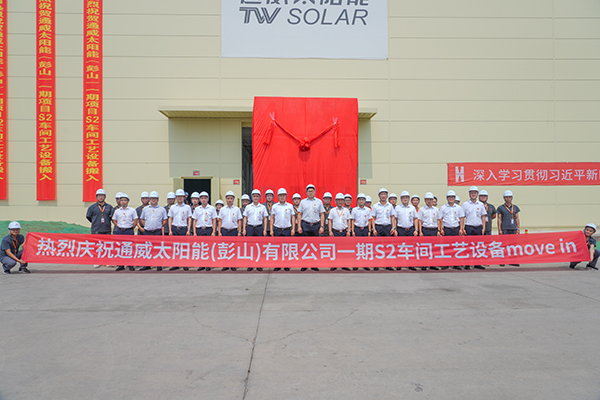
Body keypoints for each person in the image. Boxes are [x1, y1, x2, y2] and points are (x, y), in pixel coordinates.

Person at [139, 191, 168, 271]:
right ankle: (147, 265)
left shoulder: (162, 209)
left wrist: (159, 225)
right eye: (152, 198)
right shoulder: (145, 209)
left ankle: (159, 265)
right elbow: (142, 219)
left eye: (155, 198)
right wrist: (146, 226)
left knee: (158, 248)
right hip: (147, 232)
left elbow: (165, 220)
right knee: (147, 249)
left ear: (158, 199)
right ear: (149, 199)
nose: (153, 200)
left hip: (157, 232)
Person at [86, 188, 114, 268]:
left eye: (102, 195)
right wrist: (95, 222)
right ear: (96, 197)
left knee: (107, 246)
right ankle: (97, 261)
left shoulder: (109, 207)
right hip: (96, 229)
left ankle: (107, 261)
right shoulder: (92, 207)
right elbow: (89, 217)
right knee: (96, 246)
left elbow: (111, 217)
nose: (101, 197)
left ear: (105, 197)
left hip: (107, 229)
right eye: (99, 196)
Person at [438, 190, 465, 270]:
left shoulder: (458, 207)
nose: (451, 198)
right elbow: (440, 219)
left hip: (456, 229)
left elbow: (461, 218)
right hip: (447, 229)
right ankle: (446, 264)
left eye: (452, 197)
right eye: (449, 197)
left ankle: (456, 264)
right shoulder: (443, 207)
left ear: (455, 198)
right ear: (447, 198)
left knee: (456, 247)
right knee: (447, 247)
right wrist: (441, 229)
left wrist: (461, 228)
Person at [270, 188, 295, 271]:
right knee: (277, 248)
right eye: (280, 195)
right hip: (277, 229)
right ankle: (278, 265)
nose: (282, 197)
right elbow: (272, 218)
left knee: (286, 248)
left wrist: (293, 229)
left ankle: (286, 265)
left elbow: (293, 217)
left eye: (283, 195)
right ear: (278, 196)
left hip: (287, 229)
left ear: (286, 196)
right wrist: (271, 230)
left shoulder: (290, 206)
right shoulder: (274, 206)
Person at [112, 193, 138, 271]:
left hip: (129, 230)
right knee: (120, 247)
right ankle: (121, 265)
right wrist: (118, 225)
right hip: (120, 230)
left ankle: (130, 265)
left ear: (128, 201)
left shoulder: (132, 210)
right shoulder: (117, 211)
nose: (123, 202)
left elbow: (135, 219)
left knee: (130, 247)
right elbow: (114, 219)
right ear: (119, 201)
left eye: (125, 200)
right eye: (122, 200)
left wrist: (131, 227)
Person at [462, 186, 486, 270]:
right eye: (471, 193)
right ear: (469, 194)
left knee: (478, 246)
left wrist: (483, 228)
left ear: (477, 194)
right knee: (468, 246)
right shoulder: (465, 204)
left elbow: (483, 216)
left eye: (475, 193)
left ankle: (477, 263)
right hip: (469, 227)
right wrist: (462, 228)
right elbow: (462, 217)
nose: (473, 194)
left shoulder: (481, 204)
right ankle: (467, 264)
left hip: (478, 227)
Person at [168, 189, 192, 271]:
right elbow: (170, 219)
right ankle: (176, 264)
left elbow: (189, 218)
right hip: (175, 228)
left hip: (183, 229)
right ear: (176, 197)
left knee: (184, 247)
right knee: (175, 247)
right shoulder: (173, 207)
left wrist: (188, 230)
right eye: (178, 196)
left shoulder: (187, 207)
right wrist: (170, 230)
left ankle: (185, 264)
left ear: (184, 197)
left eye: (181, 196)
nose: (180, 198)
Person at [328, 193, 353, 271]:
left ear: (343, 201)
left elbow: (349, 220)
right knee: (334, 249)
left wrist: (349, 230)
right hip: (335, 232)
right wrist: (330, 231)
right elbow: (330, 221)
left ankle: (344, 265)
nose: (340, 202)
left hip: (344, 232)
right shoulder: (332, 210)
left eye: (341, 200)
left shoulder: (346, 210)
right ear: (335, 201)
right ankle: (334, 265)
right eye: (338, 200)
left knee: (344, 249)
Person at [497, 190, 521, 267]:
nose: (508, 199)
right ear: (504, 198)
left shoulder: (515, 207)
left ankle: (513, 261)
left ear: (512, 198)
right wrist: (499, 229)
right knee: (504, 245)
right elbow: (499, 219)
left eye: (509, 197)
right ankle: (502, 261)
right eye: (506, 197)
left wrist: (518, 228)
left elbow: (517, 218)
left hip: (513, 228)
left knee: (513, 245)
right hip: (504, 228)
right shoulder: (501, 208)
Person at [417, 192, 441, 270]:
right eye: (428, 199)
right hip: (425, 230)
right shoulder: (422, 210)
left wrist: (439, 230)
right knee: (425, 248)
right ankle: (424, 264)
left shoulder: (436, 209)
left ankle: (433, 264)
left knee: (434, 248)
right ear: (425, 200)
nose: (429, 201)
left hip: (434, 230)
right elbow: (420, 221)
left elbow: (439, 220)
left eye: (431, 199)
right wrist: (420, 232)